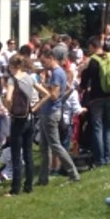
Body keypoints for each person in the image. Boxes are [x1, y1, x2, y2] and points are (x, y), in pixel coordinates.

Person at [4, 55, 49, 195]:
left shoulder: (12, 80)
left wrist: (9, 109)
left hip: (18, 119)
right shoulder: (30, 78)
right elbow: (46, 94)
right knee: (28, 153)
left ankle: (15, 188)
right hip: (29, 117)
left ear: (12, 66)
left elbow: (8, 98)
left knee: (16, 154)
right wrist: (35, 108)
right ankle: (28, 185)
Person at [36, 48, 79, 184]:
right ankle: (43, 178)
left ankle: (73, 174)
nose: (43, 65)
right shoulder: (58, 73)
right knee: (44, 147)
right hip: (47, 112)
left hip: (51, 113)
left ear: (51, 58)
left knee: (55, 145)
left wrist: (42, 84)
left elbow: (54, 95)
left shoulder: (57, 73)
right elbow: (66, 89)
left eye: (44, 62)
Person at [78, 36, 110, 166]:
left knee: (98, 128)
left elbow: (84, 83)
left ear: (92, 46)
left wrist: (82, 72)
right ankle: (109, 157)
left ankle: (100, 159)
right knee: (109, 127)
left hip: (97, 98)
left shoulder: (92, 61)